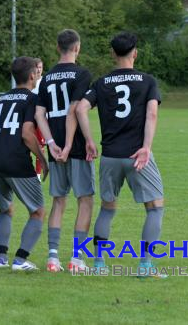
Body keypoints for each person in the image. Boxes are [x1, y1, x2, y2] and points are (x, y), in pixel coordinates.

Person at [76, 32, 166, 278]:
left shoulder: (102, 82)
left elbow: (81, 108)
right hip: (138, 155)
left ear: (113, 53)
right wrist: (146, 146)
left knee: (107, 208)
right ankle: (146, 266)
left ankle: (99, 264)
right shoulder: (147, 81)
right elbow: (152, 115)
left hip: (110, 156)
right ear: (135, 52)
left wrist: (90, 141)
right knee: (155, 208)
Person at [35, 29, 94, 272]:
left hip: (54, 146)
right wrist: (69, 145)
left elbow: (40, 114)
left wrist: (51, 144)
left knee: (59, 201)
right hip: (75, 146)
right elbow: (73, 111)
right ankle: (77, 260)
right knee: (85, 200)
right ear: (77, 48)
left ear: (57, 48)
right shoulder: (82, 74)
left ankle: (52, 258)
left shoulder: (46, 78)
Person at [0, 57, 48, 271]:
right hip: (16, 161)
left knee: (5, 209)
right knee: (38, 211)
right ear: (33, 75)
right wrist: (43, 160)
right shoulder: (33, 99)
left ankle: (1, 258)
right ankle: (20, 260)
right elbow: (27, 133)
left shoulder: (1, 99)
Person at [31, 58, 46, 181]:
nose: (38, 70)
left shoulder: (44, 82)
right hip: (29, 119)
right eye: (36, 67)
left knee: (40, 146)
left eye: (40, 67)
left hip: (41, 120)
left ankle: (38, 174)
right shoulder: (29, 82)